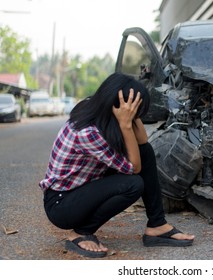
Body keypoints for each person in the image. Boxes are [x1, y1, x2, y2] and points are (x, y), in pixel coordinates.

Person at [39, 72, 195, 258]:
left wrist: (129, 117)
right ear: (117, 105)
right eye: (134, 109)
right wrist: (126, 124)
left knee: (145, 152)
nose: (134, 114)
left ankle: (157, 224)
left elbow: (143, 141)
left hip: (82, 189)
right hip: (62, 204)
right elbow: (134, 169)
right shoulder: (89, 133)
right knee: (133, 184)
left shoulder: (97, 112)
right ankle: (80, 233)